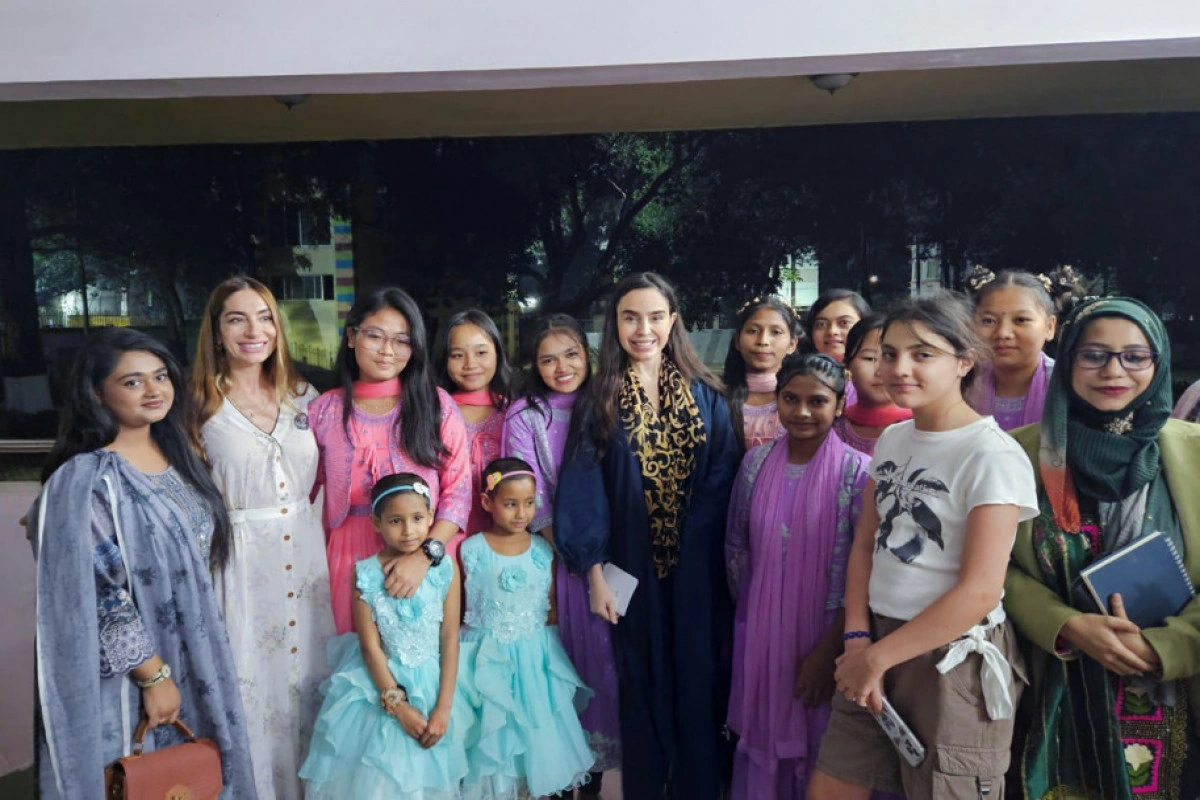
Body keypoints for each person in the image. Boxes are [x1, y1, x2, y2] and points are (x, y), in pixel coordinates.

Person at [808, 293, 1039, 799]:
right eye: (888, 353)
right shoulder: (895, 438)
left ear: (964, 361)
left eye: (922, 354)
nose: (899, 368)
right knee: (831, 785)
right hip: (874, 639)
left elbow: (980, 590)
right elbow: (865, 546)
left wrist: (877, 658)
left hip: (952, 656)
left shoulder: (992, 455)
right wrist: (857, 639)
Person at [29, 328, 256, 799]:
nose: (153, 390)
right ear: (97, 393)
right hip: (131, 671)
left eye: (160, 376)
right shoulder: (88, 478)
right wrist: (153, 677)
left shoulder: (180, 457)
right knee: (137, 778)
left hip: (196, 653)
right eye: (132, 382)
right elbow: (100, 592)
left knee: (197, 776)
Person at [1004, 297, 1200, 800]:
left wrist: (1167, 646)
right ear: (1068, 360)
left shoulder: (1195, 452)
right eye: (1093, 355)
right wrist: (1065, 625)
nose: (1114, 371)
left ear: (1158, 364)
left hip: (1177, 695)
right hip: (1048, 692)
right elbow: (994, 567)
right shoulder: (1017, 454)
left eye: (1135, 356)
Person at [556, 272, 739, 800]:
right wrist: (594, 572)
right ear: (614, 325)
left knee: (699, 681)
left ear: (673, 321)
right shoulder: (600, 399)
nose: (643, 329)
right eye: (630, 317)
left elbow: (721, 479)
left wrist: (693, 550)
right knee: (641, 681)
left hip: (698, 570)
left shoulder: (707, 395)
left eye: (656, 317)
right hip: (630, 567)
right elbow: (584, 488)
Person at [191, 277, 335, 800]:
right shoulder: (197, 405)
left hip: (307, 557)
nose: (254, 330)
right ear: (216, 331)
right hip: (239, 562)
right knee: (252, 682)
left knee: (311, 679)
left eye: (264, 317)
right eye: (237, 319)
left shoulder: (305, 396)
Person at [725, 354, 870, 798]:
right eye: (790, 399)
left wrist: (830, 649)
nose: (802, 411)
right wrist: (753, 622)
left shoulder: (858, 472)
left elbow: (863, 571)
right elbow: (737, 549)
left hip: (826, 633)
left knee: (820, 739)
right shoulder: (754, 465)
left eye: (817, 401)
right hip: (762, 632)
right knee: (765, 736)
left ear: (839, 405)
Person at [501, 313, 621, 791]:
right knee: (575, 669)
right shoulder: (526, 415)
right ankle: (570, 778)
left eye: (571, 354)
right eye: (548, 359)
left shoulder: (610, 401)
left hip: (622, 560)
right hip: (561, 563)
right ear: (534, 364)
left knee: (619, 669)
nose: (562, 367)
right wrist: (582, 562)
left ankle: (612, 779)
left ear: (587, 355)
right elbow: (536, 503)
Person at [309, 287, 472, 633]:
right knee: (357, 657)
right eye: (375, 336)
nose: (388, 351)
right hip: (347, 555)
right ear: (351, 337)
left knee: (422, 656)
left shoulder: (435, 405)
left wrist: (423, 557)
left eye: (402, 341)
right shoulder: (323, 410)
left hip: (422, 553)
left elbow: (458, 494)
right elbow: (305, 492)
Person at [300, 473, 471, 799]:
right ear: (376, 524)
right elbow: (370, 647)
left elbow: (450, 638)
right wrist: (399, 706)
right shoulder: (364, 573)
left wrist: (444, 708)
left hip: (435, 688)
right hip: (381, 687)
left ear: (431, 517)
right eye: (395, 521)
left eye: (417, 518)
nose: (408, 530)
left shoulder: (446, 568)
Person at [458, 458, 595, 799]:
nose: (521, 513)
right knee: (493, 741)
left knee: (536, 741)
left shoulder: (543, 550)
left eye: (529, 503)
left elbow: (550, 608)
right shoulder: (471, 549)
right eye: (510, 504)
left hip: (535, 663)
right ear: (487, 502)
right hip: (486, 663)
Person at [436, 309, 516, 557]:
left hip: (504, 537)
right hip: (445, 538)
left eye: (481, 353)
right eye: (458, 355)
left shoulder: (514, 413)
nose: (470, 364)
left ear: (497, 354)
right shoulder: (434, 412)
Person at [966, 269, 1061, 430]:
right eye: (989, 321)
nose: (1003, 333)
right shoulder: (961, 385)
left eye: (1021, 320)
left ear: (1049, 327)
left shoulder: (1066, 388)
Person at [723, 297, 802, 451]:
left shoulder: (803, 398)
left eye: (776, 332)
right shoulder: (716, 398)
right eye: (753, 331)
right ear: (738, 341)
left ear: (792, 344)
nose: (763, 341)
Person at [833, 315, 912, 456]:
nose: (880, 371)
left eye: (890, 357)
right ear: (847, 364)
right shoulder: (832, 430)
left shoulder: (923, 428)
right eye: (870, 358)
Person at [805, 289, 870, 407]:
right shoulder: (799, 377)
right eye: (821, 324)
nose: (832, 331)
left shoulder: (880, 378)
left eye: (844, 323)